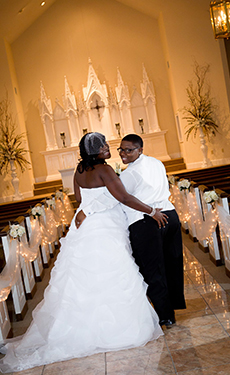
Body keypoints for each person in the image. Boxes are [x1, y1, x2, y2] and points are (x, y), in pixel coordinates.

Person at [0, 132, 165, 373]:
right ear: (96, 150)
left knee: (84, 279)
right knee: (113, 272)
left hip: (85, 227)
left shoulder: (79, 171)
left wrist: (88, 209)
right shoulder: (105, 170)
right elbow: (125, 197)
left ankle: (81, 328)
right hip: (106, 227)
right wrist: (152, 211)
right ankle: (114, 330)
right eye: (105, 146)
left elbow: (79, 199)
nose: (109, 148)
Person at [118, 134, 186, 327]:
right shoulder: (156, 163)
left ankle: (165, 315)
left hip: (148, 220)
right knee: (171, 264)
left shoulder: (129, 174)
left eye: (129, 150)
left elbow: (122, 199)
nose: (124, 153)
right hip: (170, 215)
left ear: (140, 149)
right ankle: (172, 307)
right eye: (121, 149)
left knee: (152, 269)